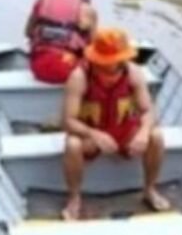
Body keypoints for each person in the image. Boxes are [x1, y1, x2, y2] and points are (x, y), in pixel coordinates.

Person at [61, 28, 171, 220]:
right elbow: (68, 121)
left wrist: (143, 133)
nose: (114, 65)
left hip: (124, 130)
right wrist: (95, 134)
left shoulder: (133, 73)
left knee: (156, 136)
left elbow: (148, 110)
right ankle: (74, 198)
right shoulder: (79, 77)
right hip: (92, 133)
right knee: (72, 145)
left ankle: (149, 189)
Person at [25, 0, 98, 84]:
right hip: (67, 69)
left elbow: (28, 32)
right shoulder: (87, 10)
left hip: (37, 67)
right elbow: (96, 49)